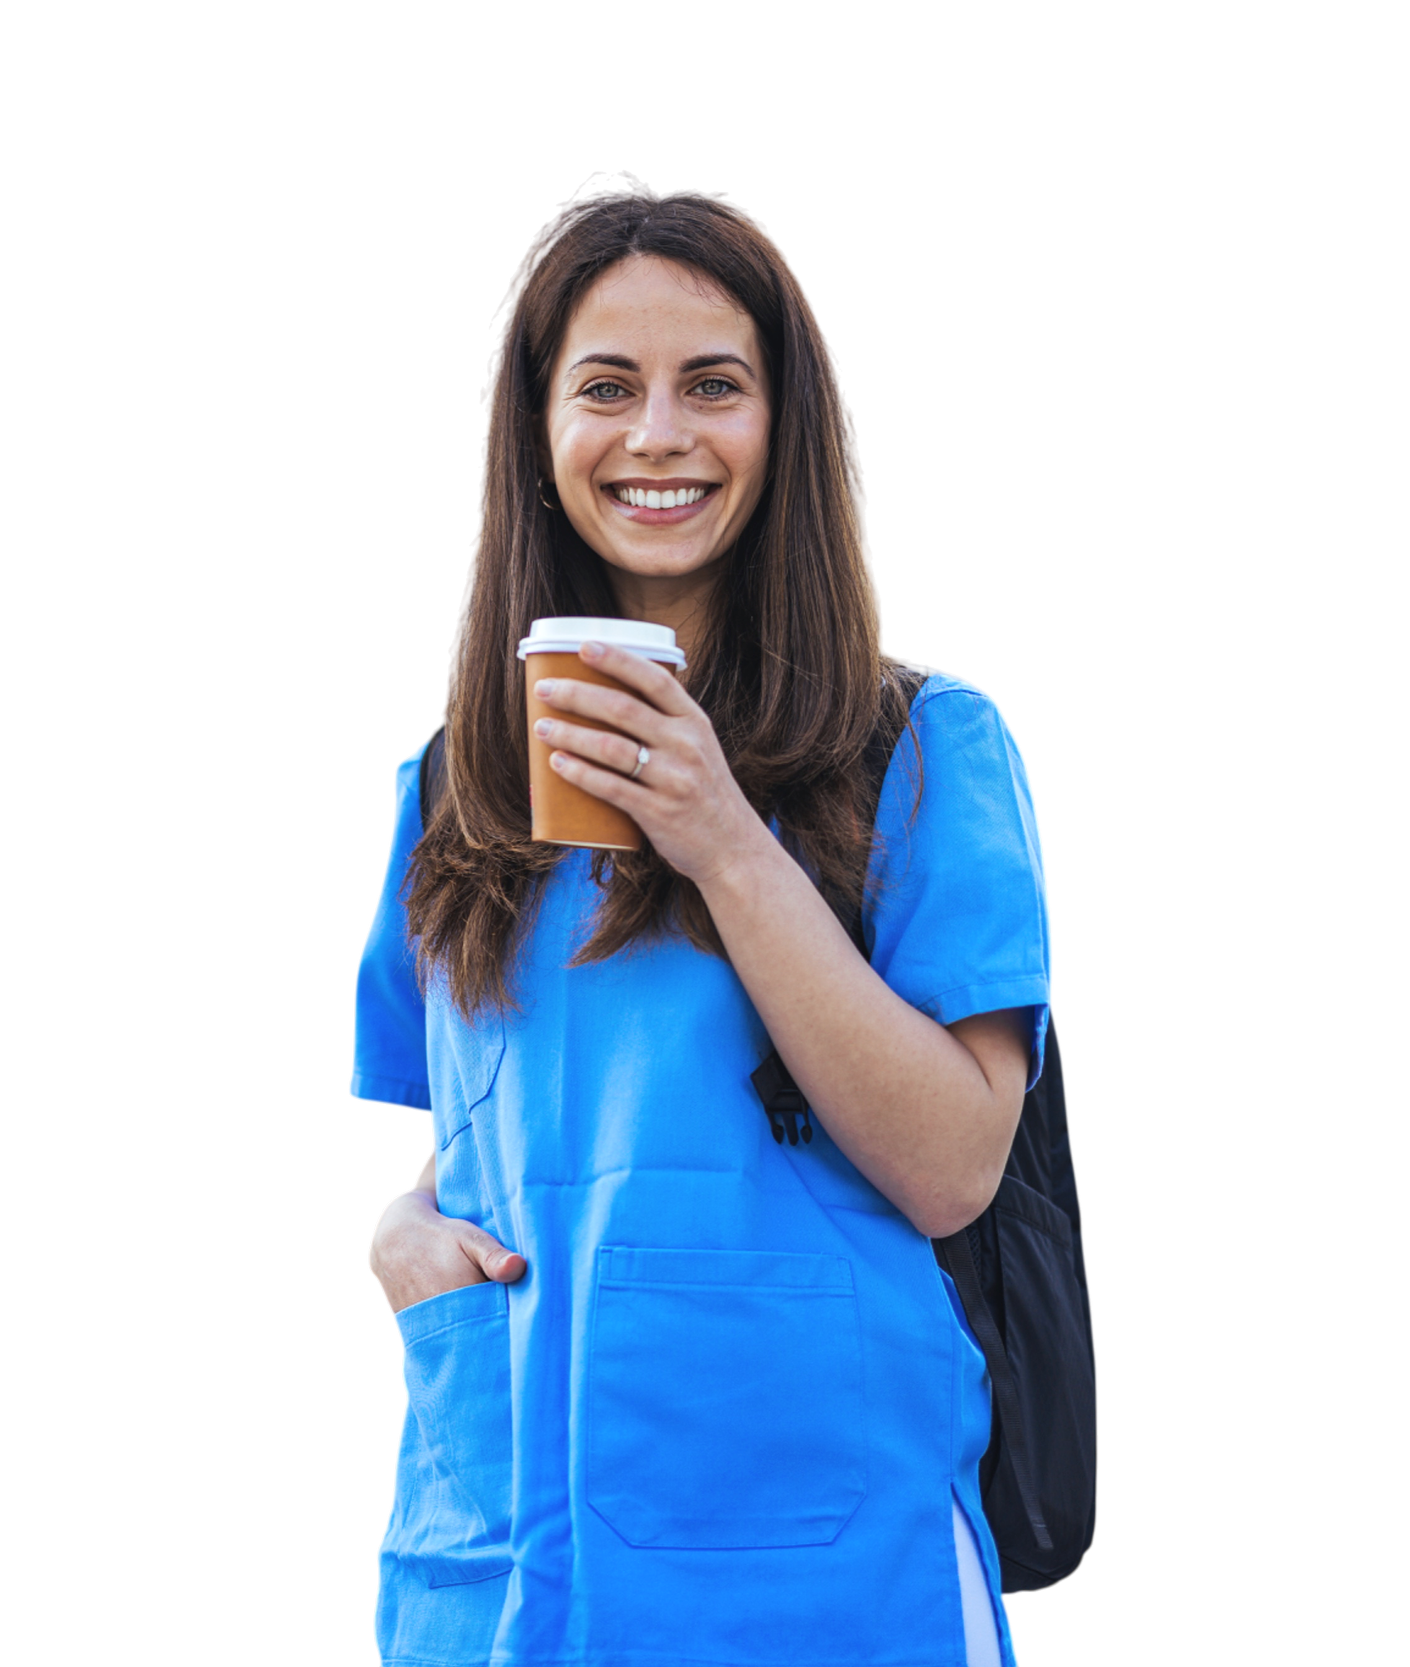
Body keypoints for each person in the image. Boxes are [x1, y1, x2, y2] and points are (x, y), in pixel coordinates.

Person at [356, 172, 1049, 1667]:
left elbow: (952, 1167)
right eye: (605, 386)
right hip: (495, 1563)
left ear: (785, 429)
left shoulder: (927, 747)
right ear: (535, 440)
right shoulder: (449, 788)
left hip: (823, 1566)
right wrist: (397, 1244)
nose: (657, 435)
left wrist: (721, 837)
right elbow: (469, 1144)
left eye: (713, 387)